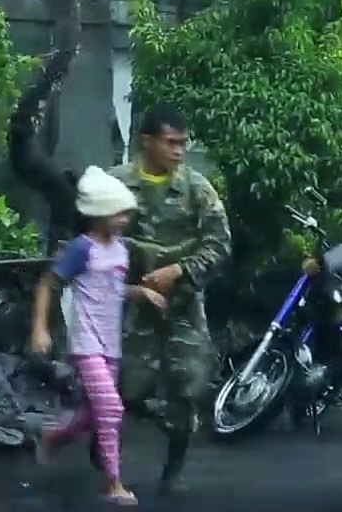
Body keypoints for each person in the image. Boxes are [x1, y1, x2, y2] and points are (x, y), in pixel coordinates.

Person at [109, 106, 231, 496]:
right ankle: (106, 448)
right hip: (134, 304)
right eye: (170, 142)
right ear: (147, 141)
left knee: (189, 386)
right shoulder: (115, 186)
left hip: (183, 304)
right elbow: (93, 241)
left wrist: (177, 270)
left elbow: (219, 245)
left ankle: (173, 473)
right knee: (128, 388)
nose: (179, 151)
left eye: (183, 143)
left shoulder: (198, 190)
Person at [29, 165, 167, 508]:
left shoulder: (120, 250)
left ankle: (53, 437)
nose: (123, 219)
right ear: (99, 213)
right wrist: (40, 328)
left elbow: (113, 291)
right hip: (87, 343)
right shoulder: (82, 248)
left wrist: (142, 293)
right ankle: (113, 484)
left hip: (111, 345)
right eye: (118, 213)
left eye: (125, 213)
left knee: (94, 415)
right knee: (111, 408)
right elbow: (48, 283)